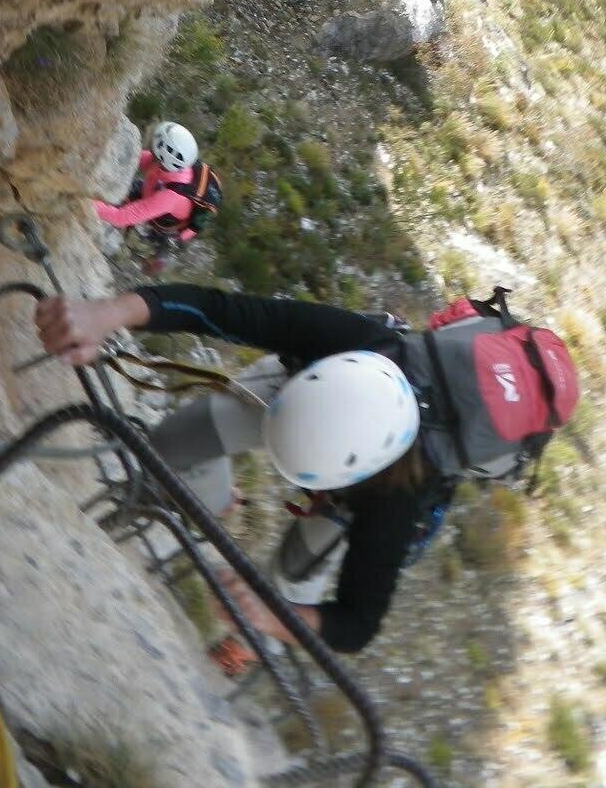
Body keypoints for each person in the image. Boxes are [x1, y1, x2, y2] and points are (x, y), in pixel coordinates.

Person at [34, 283, 436, 662]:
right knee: (173, 443)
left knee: (292, 576)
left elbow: (357, 625)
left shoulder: (396, 499)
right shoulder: (346, 339)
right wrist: (107, 313)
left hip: (376, 475)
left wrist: (271, 616)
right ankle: (210, 497)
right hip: (302, 388)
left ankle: (249, 646)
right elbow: (217, 309)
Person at [91, 122, 212, 270]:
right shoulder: (167, 164)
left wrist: (85, 202)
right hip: (154, 192)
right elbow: (136, 158)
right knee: (131, 189)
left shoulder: (171, 197)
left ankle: (156, 254)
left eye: (157, 148)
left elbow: (120, 217)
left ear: (165, 156)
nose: (153, 149)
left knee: (128, 220)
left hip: (162, 220)